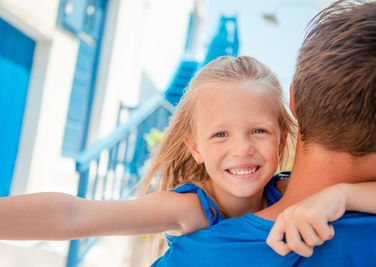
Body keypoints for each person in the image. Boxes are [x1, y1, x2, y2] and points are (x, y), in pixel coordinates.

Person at [151, 0, 376, 266]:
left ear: (293, 101)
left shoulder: (192, 257)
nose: (242, 149)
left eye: (258, 131)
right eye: (221, 134)